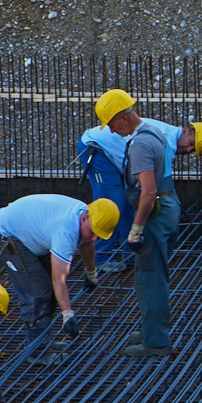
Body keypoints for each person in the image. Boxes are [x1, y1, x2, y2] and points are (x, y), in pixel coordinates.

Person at [96, 90, 202, 358]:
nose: (112, 131)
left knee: (151, 277)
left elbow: (148, 192)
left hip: (156, 214)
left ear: (123, 118)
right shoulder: (155, 132)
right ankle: (153, 328)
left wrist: (135, 228)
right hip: (168, 207)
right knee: (150, 274)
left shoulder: (140, 144)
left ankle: (157, 342)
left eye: (112, 124)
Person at [0, 192, 120, 366]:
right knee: (38, 291)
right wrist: (67, 314)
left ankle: (44, 343)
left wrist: (91, 274)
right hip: (8, 236)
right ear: (85, 218)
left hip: (31, 235)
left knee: (48, 291)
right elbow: (59, 279)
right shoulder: (65, 231)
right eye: (94, 232)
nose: (95, 238)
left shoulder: (86, 216)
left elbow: (88, 243)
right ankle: (37, 352)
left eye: (99, 235)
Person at [78, 100, 137, 274]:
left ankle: (130, 251)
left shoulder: (161, 134)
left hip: (109, 151)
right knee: (111, 201)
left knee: (127, 201)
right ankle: (101, 257)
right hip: (95, 148)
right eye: (189, 145)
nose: (188, 149)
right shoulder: (166, 140)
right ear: (187, 132)